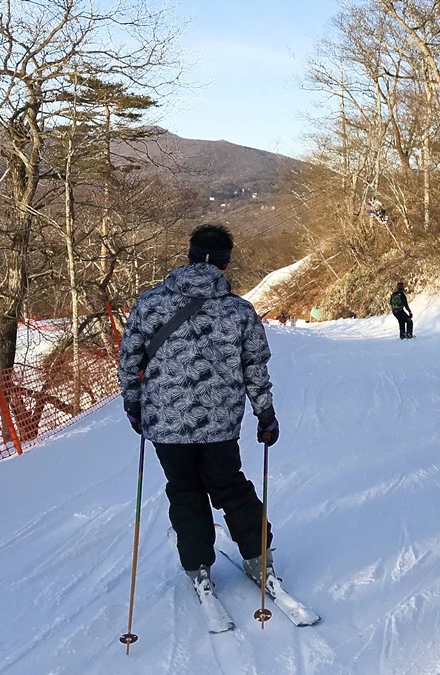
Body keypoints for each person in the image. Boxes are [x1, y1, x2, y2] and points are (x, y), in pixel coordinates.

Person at [118, 223, 284, 605]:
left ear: (189, 255)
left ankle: (198, 569)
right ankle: (260, 560)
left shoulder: (149, 303)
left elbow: (129, 361)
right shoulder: (239, 310)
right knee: (231, 487)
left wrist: (133, 404)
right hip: (220, 423)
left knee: (185, 491)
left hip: (165, 424)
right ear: (225, 263)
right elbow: (254, 367)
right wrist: (265, 413)